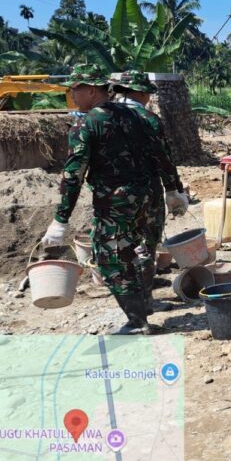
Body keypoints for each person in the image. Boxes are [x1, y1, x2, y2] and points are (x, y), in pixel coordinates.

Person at [40, 64, 155, 334]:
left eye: (74, 89)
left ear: (91, 90)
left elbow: (73, 175)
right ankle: (142, 312)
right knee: (128, 253)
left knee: (109, 259)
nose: (71, 94)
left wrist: (60, 220)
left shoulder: (87, 122)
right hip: (143, 198)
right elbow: (154, 154)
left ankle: (138, 322)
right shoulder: (133, 115)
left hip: (114, 203)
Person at [112, 69, 188, 308]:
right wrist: (173, 190)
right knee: (145, 246)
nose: (148, 98)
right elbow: (164, 158)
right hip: (146, 192)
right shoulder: (147, 118)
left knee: (122, 247)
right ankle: (144, 302)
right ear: (138, 92)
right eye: (146, 93)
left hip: (112, 195)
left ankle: (127, 299)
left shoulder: (101, 117)